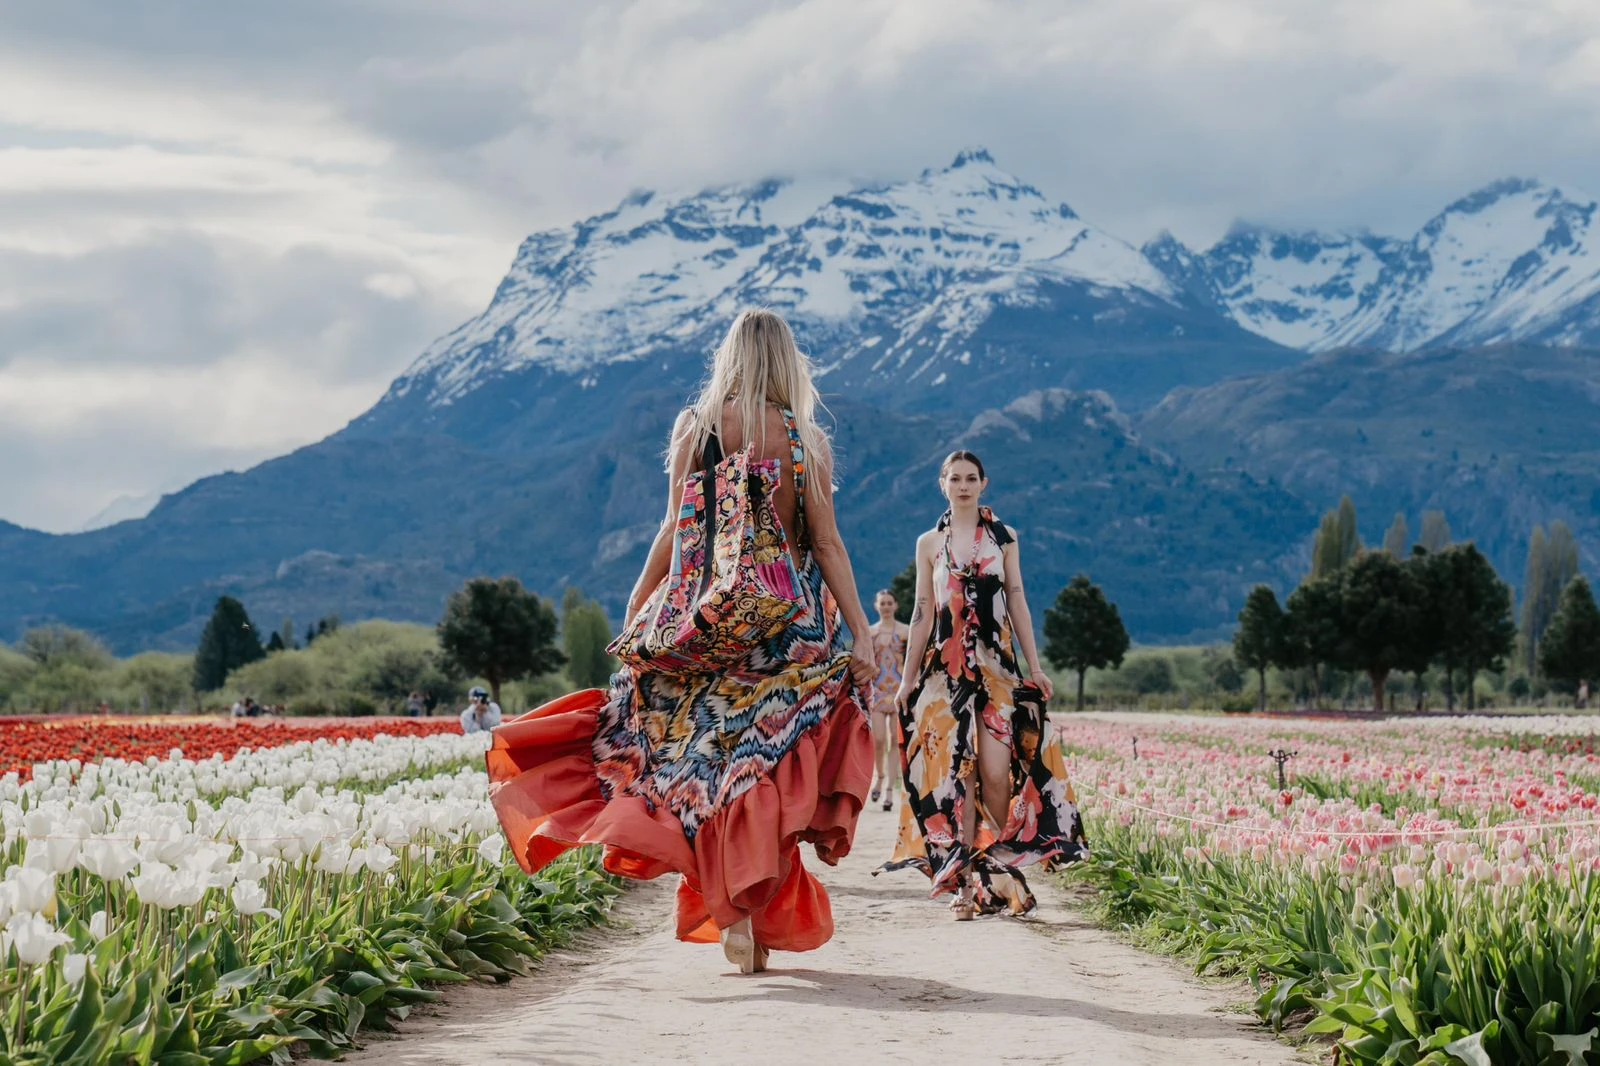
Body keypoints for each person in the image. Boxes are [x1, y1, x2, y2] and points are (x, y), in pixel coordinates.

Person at [484, 308, 876, 975]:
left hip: (704, 622)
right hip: (785, 627)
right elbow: (828, 542)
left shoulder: (695, 430)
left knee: (698, 765)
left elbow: (673, 528)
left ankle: (729, 906)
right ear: (789, 362)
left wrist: (640, 601)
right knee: (769, 763)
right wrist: (862, 629)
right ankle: (747, 901)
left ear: (729, 356)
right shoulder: (806, 440)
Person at [883, 450, 1089, 920]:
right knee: (957, 775)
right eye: (954, 478)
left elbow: (1017, 598)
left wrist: (1035, 668)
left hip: (997, 669)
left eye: (970, 478)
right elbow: (920, 612)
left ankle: (997, 866)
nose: (962, 485)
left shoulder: (1004, 538)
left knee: (996, 773)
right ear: (942, 484)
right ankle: (968, 884)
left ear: (983, 483)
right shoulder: (929, 543)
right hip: (945, 671)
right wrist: (907, 678)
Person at [868, 590, 910, 812]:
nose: (885, 606)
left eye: (889, 603)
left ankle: (890, 791)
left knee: (895, 740)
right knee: (879, 739)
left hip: (898, 690)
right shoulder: (870, 632)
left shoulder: (905, 631)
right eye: (882, 603)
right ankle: (880, 777)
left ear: (895, 605)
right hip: (876, 690)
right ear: (876, 606)